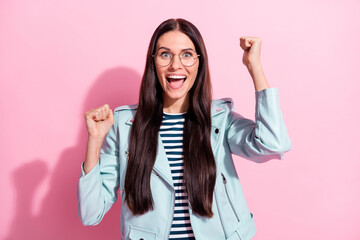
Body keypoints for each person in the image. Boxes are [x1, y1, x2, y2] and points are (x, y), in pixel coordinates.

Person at [77, 18, 291, 240]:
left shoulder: (219, 119)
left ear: (199, 63)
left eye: (187, 54)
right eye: (165, 54)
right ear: (153, 62)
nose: (176, 65)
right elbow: (90, 214)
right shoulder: (124, 125)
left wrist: (253, 66)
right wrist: (95, 140)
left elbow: (273, 144)